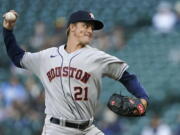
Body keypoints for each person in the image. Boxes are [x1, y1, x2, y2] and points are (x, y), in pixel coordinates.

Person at [3, 10, 149, 135]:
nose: (90, 30)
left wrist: (143, 98)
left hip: (87, 128)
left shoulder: (98, 57)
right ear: (72, 27)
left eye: (92, 28)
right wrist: (8, 30)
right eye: (85, 26)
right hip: (56, 128)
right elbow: (18, 57)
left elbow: (127, 77)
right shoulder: (47, 56)